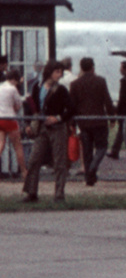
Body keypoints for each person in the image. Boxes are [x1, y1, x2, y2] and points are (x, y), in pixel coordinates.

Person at [21, 61, 74, 202]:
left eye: (61, 72)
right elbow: (30, 107)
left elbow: (70, 109)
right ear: (49, 72)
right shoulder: (37, 87)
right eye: (57, 71)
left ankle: (59, 194)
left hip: (57, 128)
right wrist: (29, 123)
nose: (60, 74)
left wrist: (58, 118)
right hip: (42, 127)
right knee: (34, 159)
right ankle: (31, 192)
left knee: (59, 161)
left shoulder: (61, 89)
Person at [69, 57, 115, 186]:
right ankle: (93, 168)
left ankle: (89, 178)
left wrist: (72, 123)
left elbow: (72, 105)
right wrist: (112, 117)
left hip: (83, 122)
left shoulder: (75, 84)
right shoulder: (100, 81)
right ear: (93, 67)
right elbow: (107, 101)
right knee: (102, 147)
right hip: (99, 120)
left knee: (87, 150)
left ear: (81, 68)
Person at [0, 68, 26, 181]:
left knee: (1, 144)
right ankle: (24, 171)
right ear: (14, 80)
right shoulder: (13, 89)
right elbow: (18, 104)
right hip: (10, 118)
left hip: (0, 118)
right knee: (17, 146)